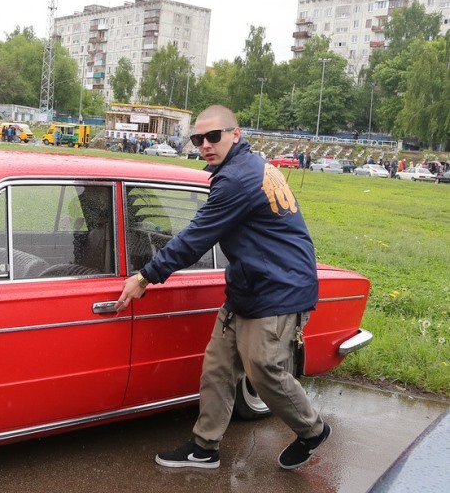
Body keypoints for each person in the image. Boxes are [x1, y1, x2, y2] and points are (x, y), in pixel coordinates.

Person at [115, 105, 329, 471]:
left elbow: (196, 238)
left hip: (279, 289)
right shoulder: (248, 168)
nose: (205, 145)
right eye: (198, 139)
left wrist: (144, 276)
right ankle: (205, 447)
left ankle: (312, 430)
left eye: (214, 136)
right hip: (249, 285)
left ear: (236, 133)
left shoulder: (237, 178)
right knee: (217, 366)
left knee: (262, 368)